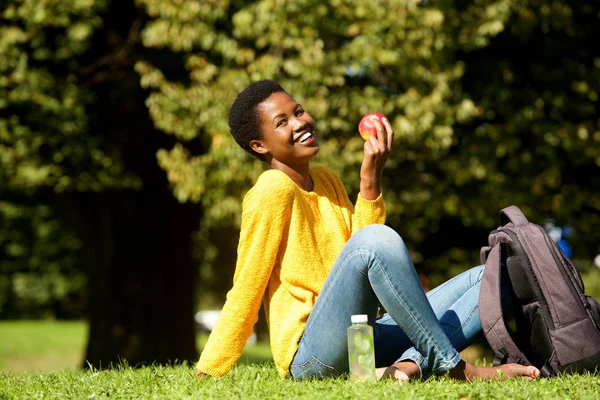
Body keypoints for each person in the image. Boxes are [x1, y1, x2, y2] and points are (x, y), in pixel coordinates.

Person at [195, 80, 539, 382]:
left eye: (298, 111)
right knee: (376, 242)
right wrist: (209, 369)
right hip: (310, 355)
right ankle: (454, 368)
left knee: (494, 275)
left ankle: (408, 367)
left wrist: (369, 181)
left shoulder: (326, 178)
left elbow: (364, 262)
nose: (300, 123)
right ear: (260, 145)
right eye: (282, 122)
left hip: (362, 335)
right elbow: (246, 287)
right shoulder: (271, 190)